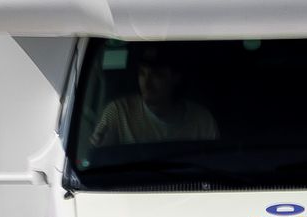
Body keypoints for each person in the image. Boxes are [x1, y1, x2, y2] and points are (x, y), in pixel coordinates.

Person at [88, 53, 217, 147]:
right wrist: (100, 147)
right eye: (142, 73)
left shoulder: (202, 120)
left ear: (175, 79)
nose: (146, 83)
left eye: (157, 75)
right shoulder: (118, 112)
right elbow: (96, 153)